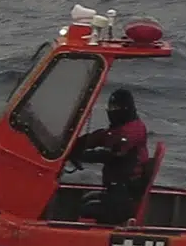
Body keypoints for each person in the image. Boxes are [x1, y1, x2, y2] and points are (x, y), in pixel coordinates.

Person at [65, 87, 152, 223]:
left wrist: (82, 156)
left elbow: (110, 155)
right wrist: (74, 144)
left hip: (124, 194)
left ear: (125, 108)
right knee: (84, 201)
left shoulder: (132, 131)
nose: (112, 110)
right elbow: (100, 137)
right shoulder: (119, 128)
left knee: (86, 210)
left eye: (116, 107)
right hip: (116, 190)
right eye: (111, 107)